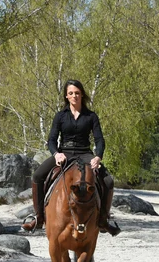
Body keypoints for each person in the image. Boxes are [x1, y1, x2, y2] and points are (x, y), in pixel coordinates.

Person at [22, 79, 121, 236]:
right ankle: (39, 217)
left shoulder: (91, 116)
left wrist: (98, 157)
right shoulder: (60, 116)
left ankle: (103, 220)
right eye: (70, 93)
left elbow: (99, 140)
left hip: (85, 154)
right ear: (66, 96)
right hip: (64, 154)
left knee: (108, 181)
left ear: (82, 95)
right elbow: (52, 140)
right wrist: (56, 154)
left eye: (77, 93)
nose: (74, 96)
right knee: (37, 176)